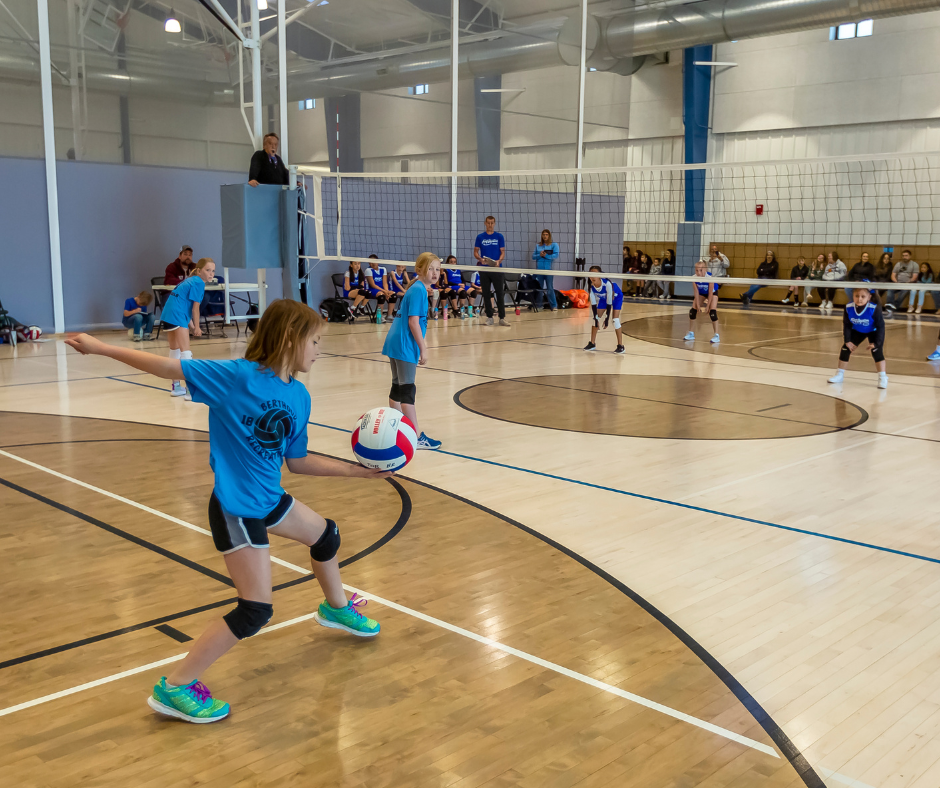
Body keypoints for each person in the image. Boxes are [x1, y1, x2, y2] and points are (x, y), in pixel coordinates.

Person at [64, 300, 385, 724]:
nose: (319, 350)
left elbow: (298, 462)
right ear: (290, 339)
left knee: (326, 535)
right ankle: (175, 687)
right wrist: (102, 348)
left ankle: (336, 609)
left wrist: (357, 472)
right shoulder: (236, 377)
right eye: (315, 341)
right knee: (255, 610)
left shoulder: (299, 396)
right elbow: (167, 369)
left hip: (268, 499)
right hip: (236, 509)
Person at [382, 252, 442, 450]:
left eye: (437, 269)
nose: (435, 273)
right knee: (407, 390)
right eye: (430, 268)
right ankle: (415, 437)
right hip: (405, 343)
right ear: (419, 270)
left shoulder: (417, 288)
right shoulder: (418, 291)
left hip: (395, 341)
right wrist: (423, 348)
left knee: (397, 388)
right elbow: (413, 322)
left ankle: (398, 428)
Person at [161, 259, 215, 399]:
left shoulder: (189, 281)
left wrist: (190, 326)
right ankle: (191, 390)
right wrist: (197, 327)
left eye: (213, 271)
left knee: (175, 351)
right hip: (177, 315)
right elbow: (195, 308)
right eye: (207, 270)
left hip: (168, 314)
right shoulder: (198, 282)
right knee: (186, 353)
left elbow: (184, 305)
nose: (211, 274)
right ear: (198, 270)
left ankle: (176, 387)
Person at [828, 287, 888, 389]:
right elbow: (846, 324)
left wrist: (876, 343)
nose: (859, 299)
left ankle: (883, 377)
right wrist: (847, 340)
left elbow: (881, 327)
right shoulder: (848, 307)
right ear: (852, 296)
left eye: (863, 296)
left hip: (873, 331)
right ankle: (839, 374)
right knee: (845, 349)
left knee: (876, 351)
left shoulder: (874, 308)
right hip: (857, 330)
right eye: (857, 296)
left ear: (869, 297)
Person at [474, 216, 508, 326]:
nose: (490, 225)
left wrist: (499, 261)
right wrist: (480, 259)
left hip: (497, 269)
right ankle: (489, 317)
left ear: (494, 223)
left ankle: (502, 318)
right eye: (488, 223)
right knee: (486, 293)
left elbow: (502, 252)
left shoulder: (499, 236)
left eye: (492, 223)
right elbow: (475, 252)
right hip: (484, 269)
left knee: (500, 293)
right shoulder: (480, 237)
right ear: (485, 223)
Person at [584, 266, 624, 354]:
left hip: (616, 298)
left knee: (615, 320)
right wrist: (596, 319)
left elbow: (609, 303)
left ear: (600, 276)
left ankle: (621, 346)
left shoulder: (607, 284)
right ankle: (592, 343)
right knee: (595, 319)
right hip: (603, 299)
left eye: (595, 274)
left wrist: (606, 319)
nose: (592, 277)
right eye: (590, 274)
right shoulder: (591, 287)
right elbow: (593, 305)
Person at [685, 260, 720, 344]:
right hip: (701, 293)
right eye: (696, 270)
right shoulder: (694, 278)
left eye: (700, 270)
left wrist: (707, 306)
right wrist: (697, 305)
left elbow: (710, 293)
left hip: (712, 292)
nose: (698, 272)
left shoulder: (709, 278)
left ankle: (716, 335)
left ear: (705, 270)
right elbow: (696, 292)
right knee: (692, 311)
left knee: (712, 312)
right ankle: (691, 333)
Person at [532, 229, 559, 312]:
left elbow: (555, 255)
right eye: (543, 234)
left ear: (549, 235)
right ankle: (539, 306)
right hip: (539, 271)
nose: (545, 236)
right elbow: (533, 257)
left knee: (550, 288)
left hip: (549, 270)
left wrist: (546, 255)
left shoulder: (554, 245)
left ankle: (554, 306)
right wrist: (540, 255)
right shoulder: (538, 246)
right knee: (539, 288)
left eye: (546, 234)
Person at [364, 255, 396, 322]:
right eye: (370, 262)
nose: (372, 263)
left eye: (374, 261)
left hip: (382, 289)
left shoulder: (383, 269)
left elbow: (385, 283)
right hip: (372, 289)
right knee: (381, 296)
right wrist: (384, 291)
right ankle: (379, 316)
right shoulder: (368, 270)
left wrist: (387, 291)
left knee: (393, 295)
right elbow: (373, 285)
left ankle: (389, 315)